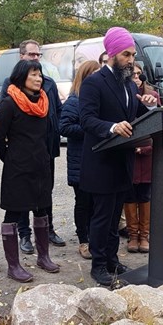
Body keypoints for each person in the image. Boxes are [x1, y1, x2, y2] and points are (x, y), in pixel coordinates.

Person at [79, 27, 158, 286]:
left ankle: (112, 259)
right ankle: (98, 265)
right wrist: (111, 127)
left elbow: (134, 114)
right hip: (101, 163)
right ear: (112, 53)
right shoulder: (94, 83)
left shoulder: (126, 82)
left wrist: (146, 103)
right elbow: (87, 119)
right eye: (126, 54)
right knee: (102, 218)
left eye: (133, 55)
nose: (131, 60)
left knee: (114, 217)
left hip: (123, 161)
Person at [0, 60, 61, 282]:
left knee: (42, 211)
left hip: (41, 167)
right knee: (13, 213)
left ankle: (43, 257)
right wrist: (12, 159)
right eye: (33, 74)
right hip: (18, 170)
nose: (39, 78)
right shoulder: (9, 104)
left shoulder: (43, 102)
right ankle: (13, 266)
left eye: (40, 74)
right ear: (22, 77)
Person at [0, 40, 65, 255]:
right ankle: (24, 236)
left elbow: (57, 111)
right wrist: (10, 157)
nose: (36, 58)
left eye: (39, 55)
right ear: (22, 57)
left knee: (43, 201)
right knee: (19, 203)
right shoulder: (10, 93)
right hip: (19, 163)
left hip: (44, 155)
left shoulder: (48, 86)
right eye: (31, 54)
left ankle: (46, 241)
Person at [59, 60, 101, 259]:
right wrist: (91, 129)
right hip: (80, 161)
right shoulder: (74, 101)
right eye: (95, 74)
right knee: (83, 203)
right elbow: (64, 127)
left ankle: (96, 238)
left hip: (97, 160)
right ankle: (83, 240)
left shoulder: (98, 99)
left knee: (96, 202)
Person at [123, 63, 161, 253]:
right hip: (128, 153)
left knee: (144, 195)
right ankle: (132, 235)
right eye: (133, 74)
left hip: (147, 156)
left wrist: (145, 147)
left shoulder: (152, 96)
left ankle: (144, 236)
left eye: (139, 74)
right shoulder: (123, 95)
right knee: (129, 195)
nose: (136, 77)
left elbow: (158, 125)